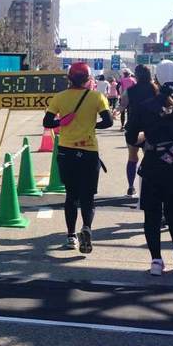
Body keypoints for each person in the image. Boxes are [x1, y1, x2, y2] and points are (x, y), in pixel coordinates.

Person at [43, 62, 113, 253]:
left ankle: (71, 236)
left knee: (71, 195)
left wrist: (62, 121)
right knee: (88, 197)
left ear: (69, 78)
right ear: (88, 79)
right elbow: (108, 121)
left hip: (66, 152)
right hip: (89, 151)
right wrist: (92, 126)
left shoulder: (60, 97)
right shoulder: (97, 97)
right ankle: (87, 228)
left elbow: (47, 122)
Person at [125, 60, 173, 275]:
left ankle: (156, 261)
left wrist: (144, 139)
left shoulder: (146, 105)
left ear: (156, 79)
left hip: (153, 163)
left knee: (152, 214)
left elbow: (131, 136)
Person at [120, 64, 158, 197]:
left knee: (132, 157)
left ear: (136, 75)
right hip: (151, 129)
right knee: (150, 159)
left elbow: (122, 106)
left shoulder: (130, 91)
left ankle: (131, 188)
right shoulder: (155, 89)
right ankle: (148, 189)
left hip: (133, 128)